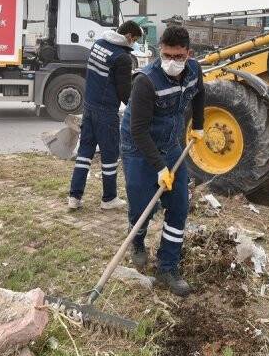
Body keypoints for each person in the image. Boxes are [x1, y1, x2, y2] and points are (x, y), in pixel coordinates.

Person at [120, 25, 205, 296]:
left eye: (178, 57)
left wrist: (199, 125)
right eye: (167, 55)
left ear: (188, 54)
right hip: (138, 145)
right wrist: (159, 168)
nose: (172, 62)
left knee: (179, 205)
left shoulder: (194, 71)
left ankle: (168, 267)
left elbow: (200, 94)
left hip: (171, 142)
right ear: (160, 51)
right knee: (142, 203)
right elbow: (138, 130)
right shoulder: (146, 81)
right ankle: (138, 241)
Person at [68, 20, 143, 211]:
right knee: (110, 155)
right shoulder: (122, 58)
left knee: (85, 153)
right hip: (106, 112)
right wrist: (137, 108)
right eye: (134, 40)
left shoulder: (99, 44)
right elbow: (124, 92)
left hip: (89, 106)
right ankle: (109, 198)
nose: (133, 43)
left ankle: (74, 197)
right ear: (128, 36)